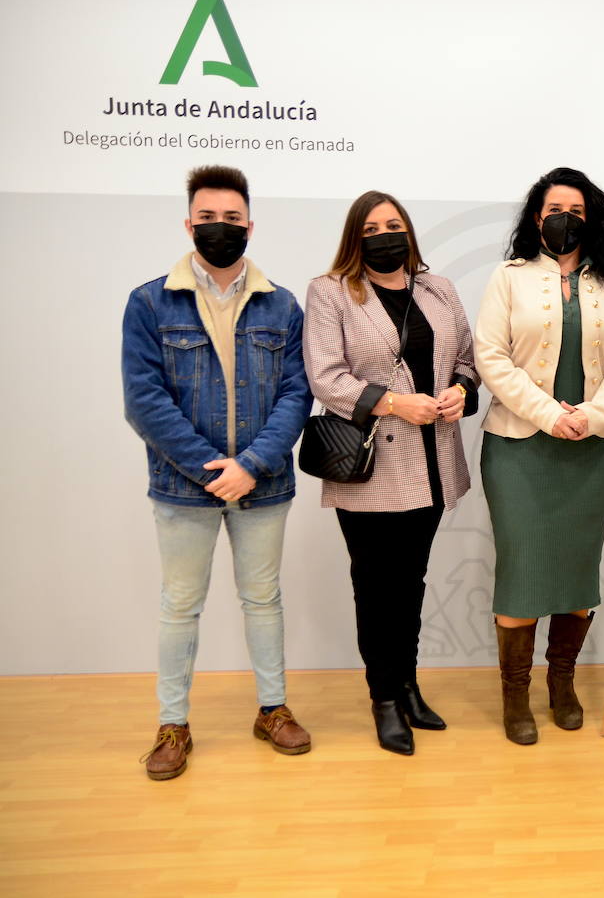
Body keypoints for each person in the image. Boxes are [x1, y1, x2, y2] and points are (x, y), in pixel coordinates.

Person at [122, 165, 313, 780]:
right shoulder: (150, 302)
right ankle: (173, 724)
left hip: (265, 486)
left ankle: (272, 709)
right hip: (184, 489)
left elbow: (296, 393)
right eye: (207, 219)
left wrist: (251, 465)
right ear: (188, 223)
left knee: (263, 599)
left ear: (250, 226)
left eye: (232, 220)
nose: (220, 229)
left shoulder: (282, 305)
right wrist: (214, 471)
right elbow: (144, 400)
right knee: (180, 605)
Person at [303, 191, 479, 756]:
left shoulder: (439, 289)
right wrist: (397, 404)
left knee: (412, 583)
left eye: (394, 224)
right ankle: (383, 698)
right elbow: (326, 378)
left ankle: (408, 685)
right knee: (376, 587)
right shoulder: (332, 292)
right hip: (373, 467)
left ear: (409, 232)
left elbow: (469, 364)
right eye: (373, 226)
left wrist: (458, 393)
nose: (385, 234)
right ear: (357, 238)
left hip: (433, 465)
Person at [474, 167, 604, 745]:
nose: (562, 218)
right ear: (536, 218)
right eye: (551, 209)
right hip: (519, 449)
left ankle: (562, 684)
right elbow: (491, 359)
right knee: (521, 572)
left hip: (591, 453)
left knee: (576, 572)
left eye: (574, 209)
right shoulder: (509, 277)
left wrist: (590, 418)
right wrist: (551, 414)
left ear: (590, 219)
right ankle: (514, 697)